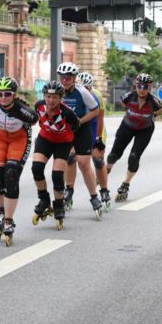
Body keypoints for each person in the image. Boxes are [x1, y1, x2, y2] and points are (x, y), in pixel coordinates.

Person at [0, 77, 37, 246]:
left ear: (14, 95)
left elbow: (34, 119)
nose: (3, 97)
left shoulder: (23, 111)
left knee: (11, 174)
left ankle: (8, 219)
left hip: (19, 140)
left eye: (7, 94)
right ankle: (0, 210)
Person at [31, 80, 82, 230]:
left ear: (61, 98)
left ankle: (59, 205)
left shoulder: (67, 113)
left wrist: (73, 148)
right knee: (36, 168)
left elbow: (76, 127)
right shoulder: (39, 106)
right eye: (48, 96)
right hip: (45, 139)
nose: (50, 100)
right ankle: (44, 199)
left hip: (63, 143)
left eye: (54, 97)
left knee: (57, 176)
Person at [106, 73, 162, 202]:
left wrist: (149, 116)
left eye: (145, 87)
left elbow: (160, 111)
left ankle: (126, 184)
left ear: (150, 88)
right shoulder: (128, 97)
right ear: (135, 85)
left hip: (145, 130)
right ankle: (106, 171)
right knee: (113, 155)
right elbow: (123, 103)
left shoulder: (154, 102)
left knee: (134, 157)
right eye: (139, 86)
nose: (142, 89)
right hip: (127, 126)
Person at [56, 62, 104, 218]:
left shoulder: (82, 92)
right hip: (66, 131)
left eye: (68, 77)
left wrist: (80, 121)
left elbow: (95, 110)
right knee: (69, 158)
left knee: (84, 163)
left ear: (74, 78)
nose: (65, 79)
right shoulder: (57, 91)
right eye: (63, 77)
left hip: (83, 130)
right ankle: (69, 188)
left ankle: (94, 197)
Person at [78, 71, 111, 209]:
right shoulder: (75, 93)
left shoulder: (96, 95)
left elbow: (100, 118)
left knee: (97, 160)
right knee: (71, 158)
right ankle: (69, 188)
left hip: (96, 129)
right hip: (81, 129)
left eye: (88, 88)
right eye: (83, 88)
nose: (86, 91)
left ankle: (104, 190)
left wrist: (98, 138)